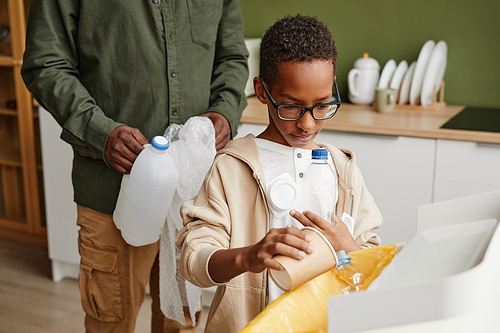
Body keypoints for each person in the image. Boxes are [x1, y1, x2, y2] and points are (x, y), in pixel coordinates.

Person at [21, 0, 248, 332]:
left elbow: (231, 58)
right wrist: (100, 132)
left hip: (191, 197)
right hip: (111, 192)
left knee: (180, 322)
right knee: (110, 322)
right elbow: (46, 63)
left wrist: (226, 110)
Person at [176, 15, 383, 333]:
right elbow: (194, 262)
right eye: (291, 106)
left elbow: (372, 267)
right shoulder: (231, 168)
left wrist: (347, 249)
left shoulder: (343, 171)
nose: (308, 124)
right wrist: (248, 257)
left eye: (322, 105)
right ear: (262, 91)